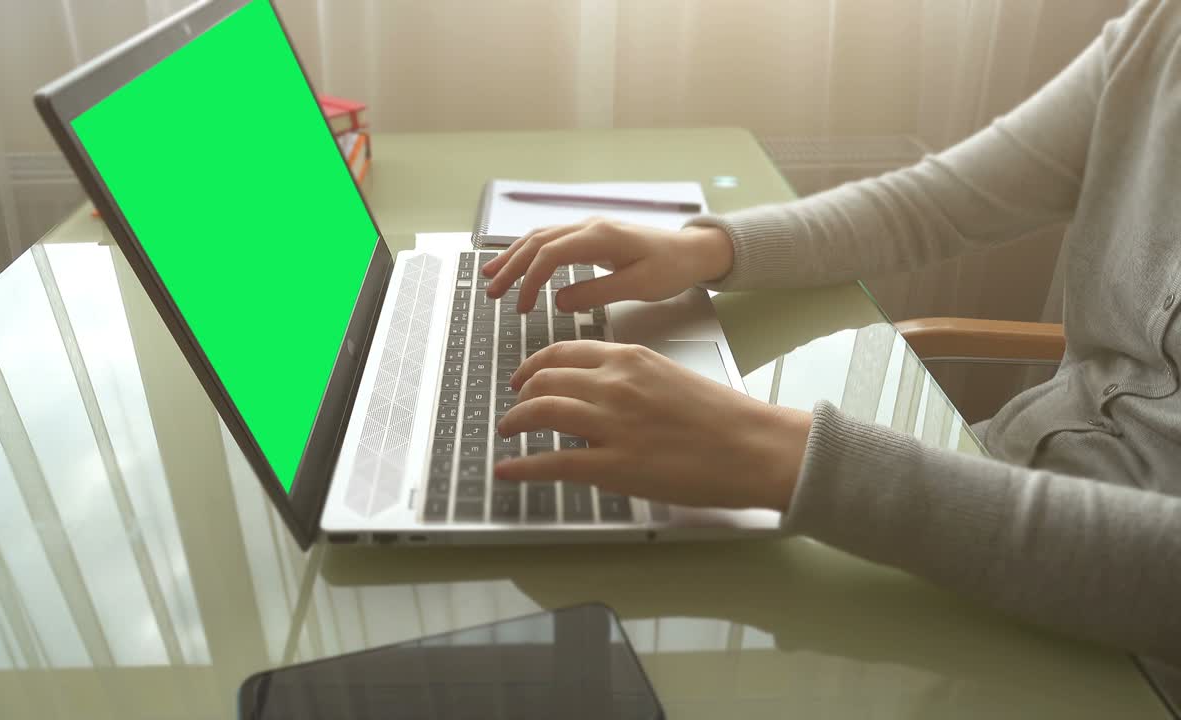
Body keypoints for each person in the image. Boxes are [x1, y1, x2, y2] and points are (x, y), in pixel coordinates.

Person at [481, 0, 1181, 665]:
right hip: (993, 493)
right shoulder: (1158, 34)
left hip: (1134, 654)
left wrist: (788, 454)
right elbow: (931, 206)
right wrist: (704, 249)